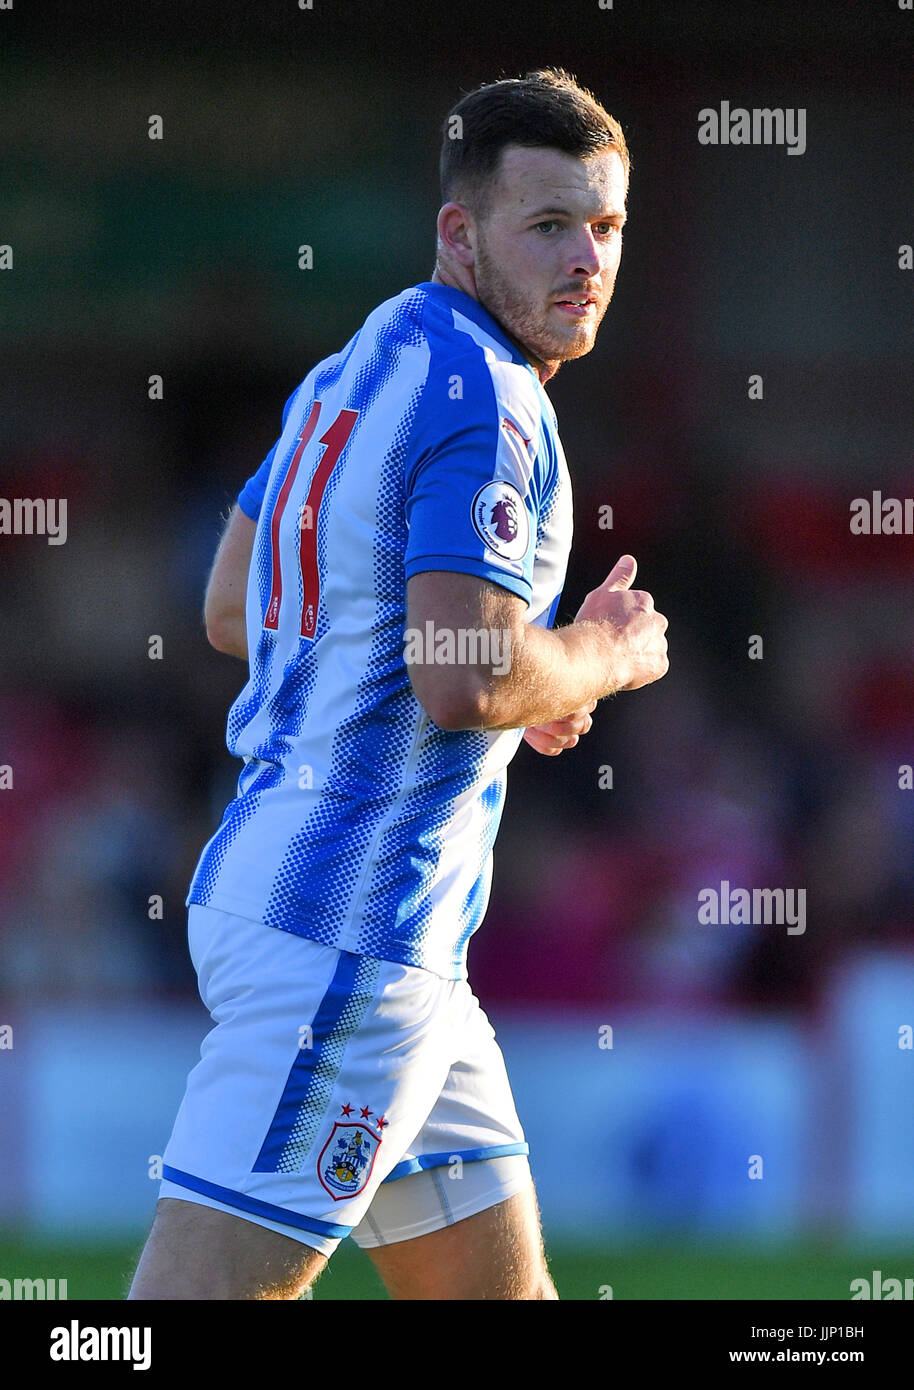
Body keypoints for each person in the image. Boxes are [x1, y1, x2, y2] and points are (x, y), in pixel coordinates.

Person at [129, 67, 668, 1302]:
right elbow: (460, 681)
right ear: (458, 233)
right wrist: (601, 655)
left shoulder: (359, 361)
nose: (585, 260)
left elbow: (236, 606)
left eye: (604, 226)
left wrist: (521, 675)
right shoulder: (490, 403)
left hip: (346, 916)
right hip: (350, 933)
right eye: (547, 225)